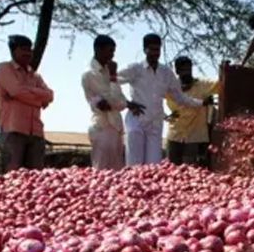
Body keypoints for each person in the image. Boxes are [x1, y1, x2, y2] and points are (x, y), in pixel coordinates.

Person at [117, 34, 211, 166]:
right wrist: (126, 103)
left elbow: (180, 97)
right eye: (152, 49)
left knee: (153, 166)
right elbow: (112, 80)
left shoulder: (166, 73)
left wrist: (201, 103)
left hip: (155, 123)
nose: (155, 53)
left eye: (158, 49)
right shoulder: (135, 68)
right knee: (134, 164)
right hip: (137, 120)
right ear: (145, 50)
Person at [80, 35, 146, 170]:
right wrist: (113, 77)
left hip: (115, 125)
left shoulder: (106, 71)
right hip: (103, 126)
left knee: (116, 173)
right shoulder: (91, 74)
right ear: (98, 49)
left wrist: (127, 103)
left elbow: (119, 100)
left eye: (113, 51)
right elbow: (114, 101)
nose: (112, 55)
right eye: (110, 51)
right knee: (102, 172)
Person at [0, 35, 53, 171]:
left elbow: (50, 95)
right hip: (13, 130)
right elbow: (16, 91)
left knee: (35, 179)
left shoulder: (34, 75)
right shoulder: (4, 69)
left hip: (36, 132)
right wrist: (38, 100)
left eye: (29, 50)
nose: (28, 53)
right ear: (14, 51)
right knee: (13, 177)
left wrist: (25, 93)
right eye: (24, 50)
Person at [166, 56, 219, 168]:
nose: (187, 73)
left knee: (191, 171)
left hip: (195, 137)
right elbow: (181, 106)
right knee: (171, 170)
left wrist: (226, 70)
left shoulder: (202, 85)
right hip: (175, 135)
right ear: (177, 71)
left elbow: (220, 83)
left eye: (188, 69)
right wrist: (201, 103)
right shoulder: (171, 88)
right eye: (183, 70)